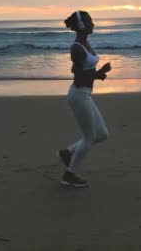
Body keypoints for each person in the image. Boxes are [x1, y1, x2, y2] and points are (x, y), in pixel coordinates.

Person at [57, 10, 111, 188]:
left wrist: (99, 73)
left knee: (102, 134)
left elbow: (84, 73)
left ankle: (68, 153)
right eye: (90, 22)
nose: (93, 24)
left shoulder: (85, 42)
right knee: (89, 137)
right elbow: (79, 78)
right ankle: (69, 174)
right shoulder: (76, 48)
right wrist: (97, 74)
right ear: (82, 26)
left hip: (85, 94)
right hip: (79, 95)